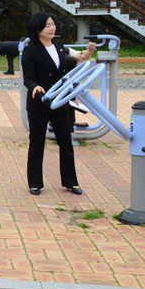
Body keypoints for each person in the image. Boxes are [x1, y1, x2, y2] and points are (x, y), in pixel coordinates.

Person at [22, 13, 95, 196]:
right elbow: (28, 78)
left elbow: (73, 66)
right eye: (47, 25)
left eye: (53, 24)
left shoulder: (60, 47)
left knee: (66, 142)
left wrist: (72, 93)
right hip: (40, 102)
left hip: (61, 101)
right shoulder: (31, 50)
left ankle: (71, 182)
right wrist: (35, 86)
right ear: (38, 29)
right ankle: (35, 183)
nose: (52, 28)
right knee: (37, 143)